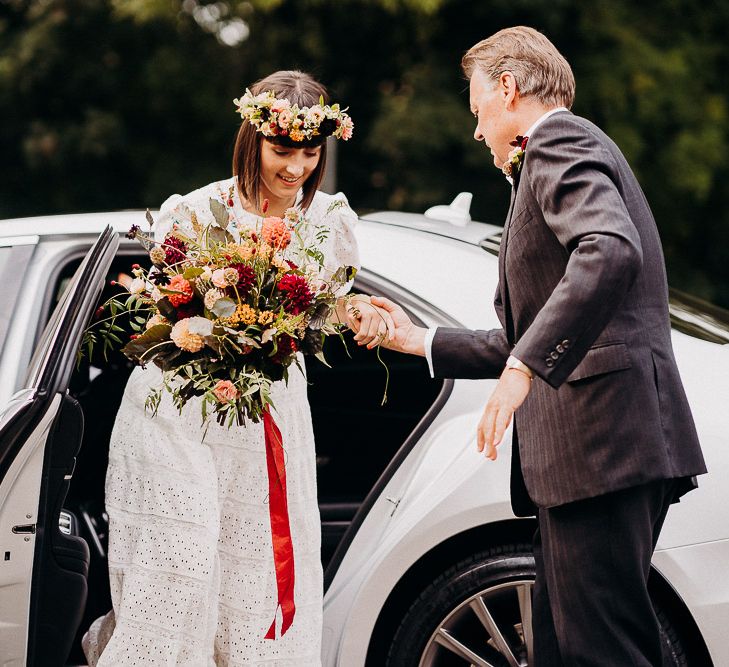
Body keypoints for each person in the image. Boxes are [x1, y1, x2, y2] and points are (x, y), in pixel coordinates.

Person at [370, 27, 707, 665]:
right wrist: (414, 339)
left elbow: (608, 249)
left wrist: (524, 368)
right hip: (594, 457)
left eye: (478, 113)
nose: (477, 133)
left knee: (597, 652)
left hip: (601, 449)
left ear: (508, 87)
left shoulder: (560, 139)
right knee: (562, 649)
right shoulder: (560, 154)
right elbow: (531, 331)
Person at [82, 70, 390, 666]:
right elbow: (163, 308)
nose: (296, 168)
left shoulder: (329, 222)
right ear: (252, 139)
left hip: (267, 416)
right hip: (178, 413)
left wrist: (365, 311)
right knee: (181, 562)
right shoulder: (194, 212)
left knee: (252, 577)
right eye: (282, 150)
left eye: (309, 152)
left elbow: (333, 308)